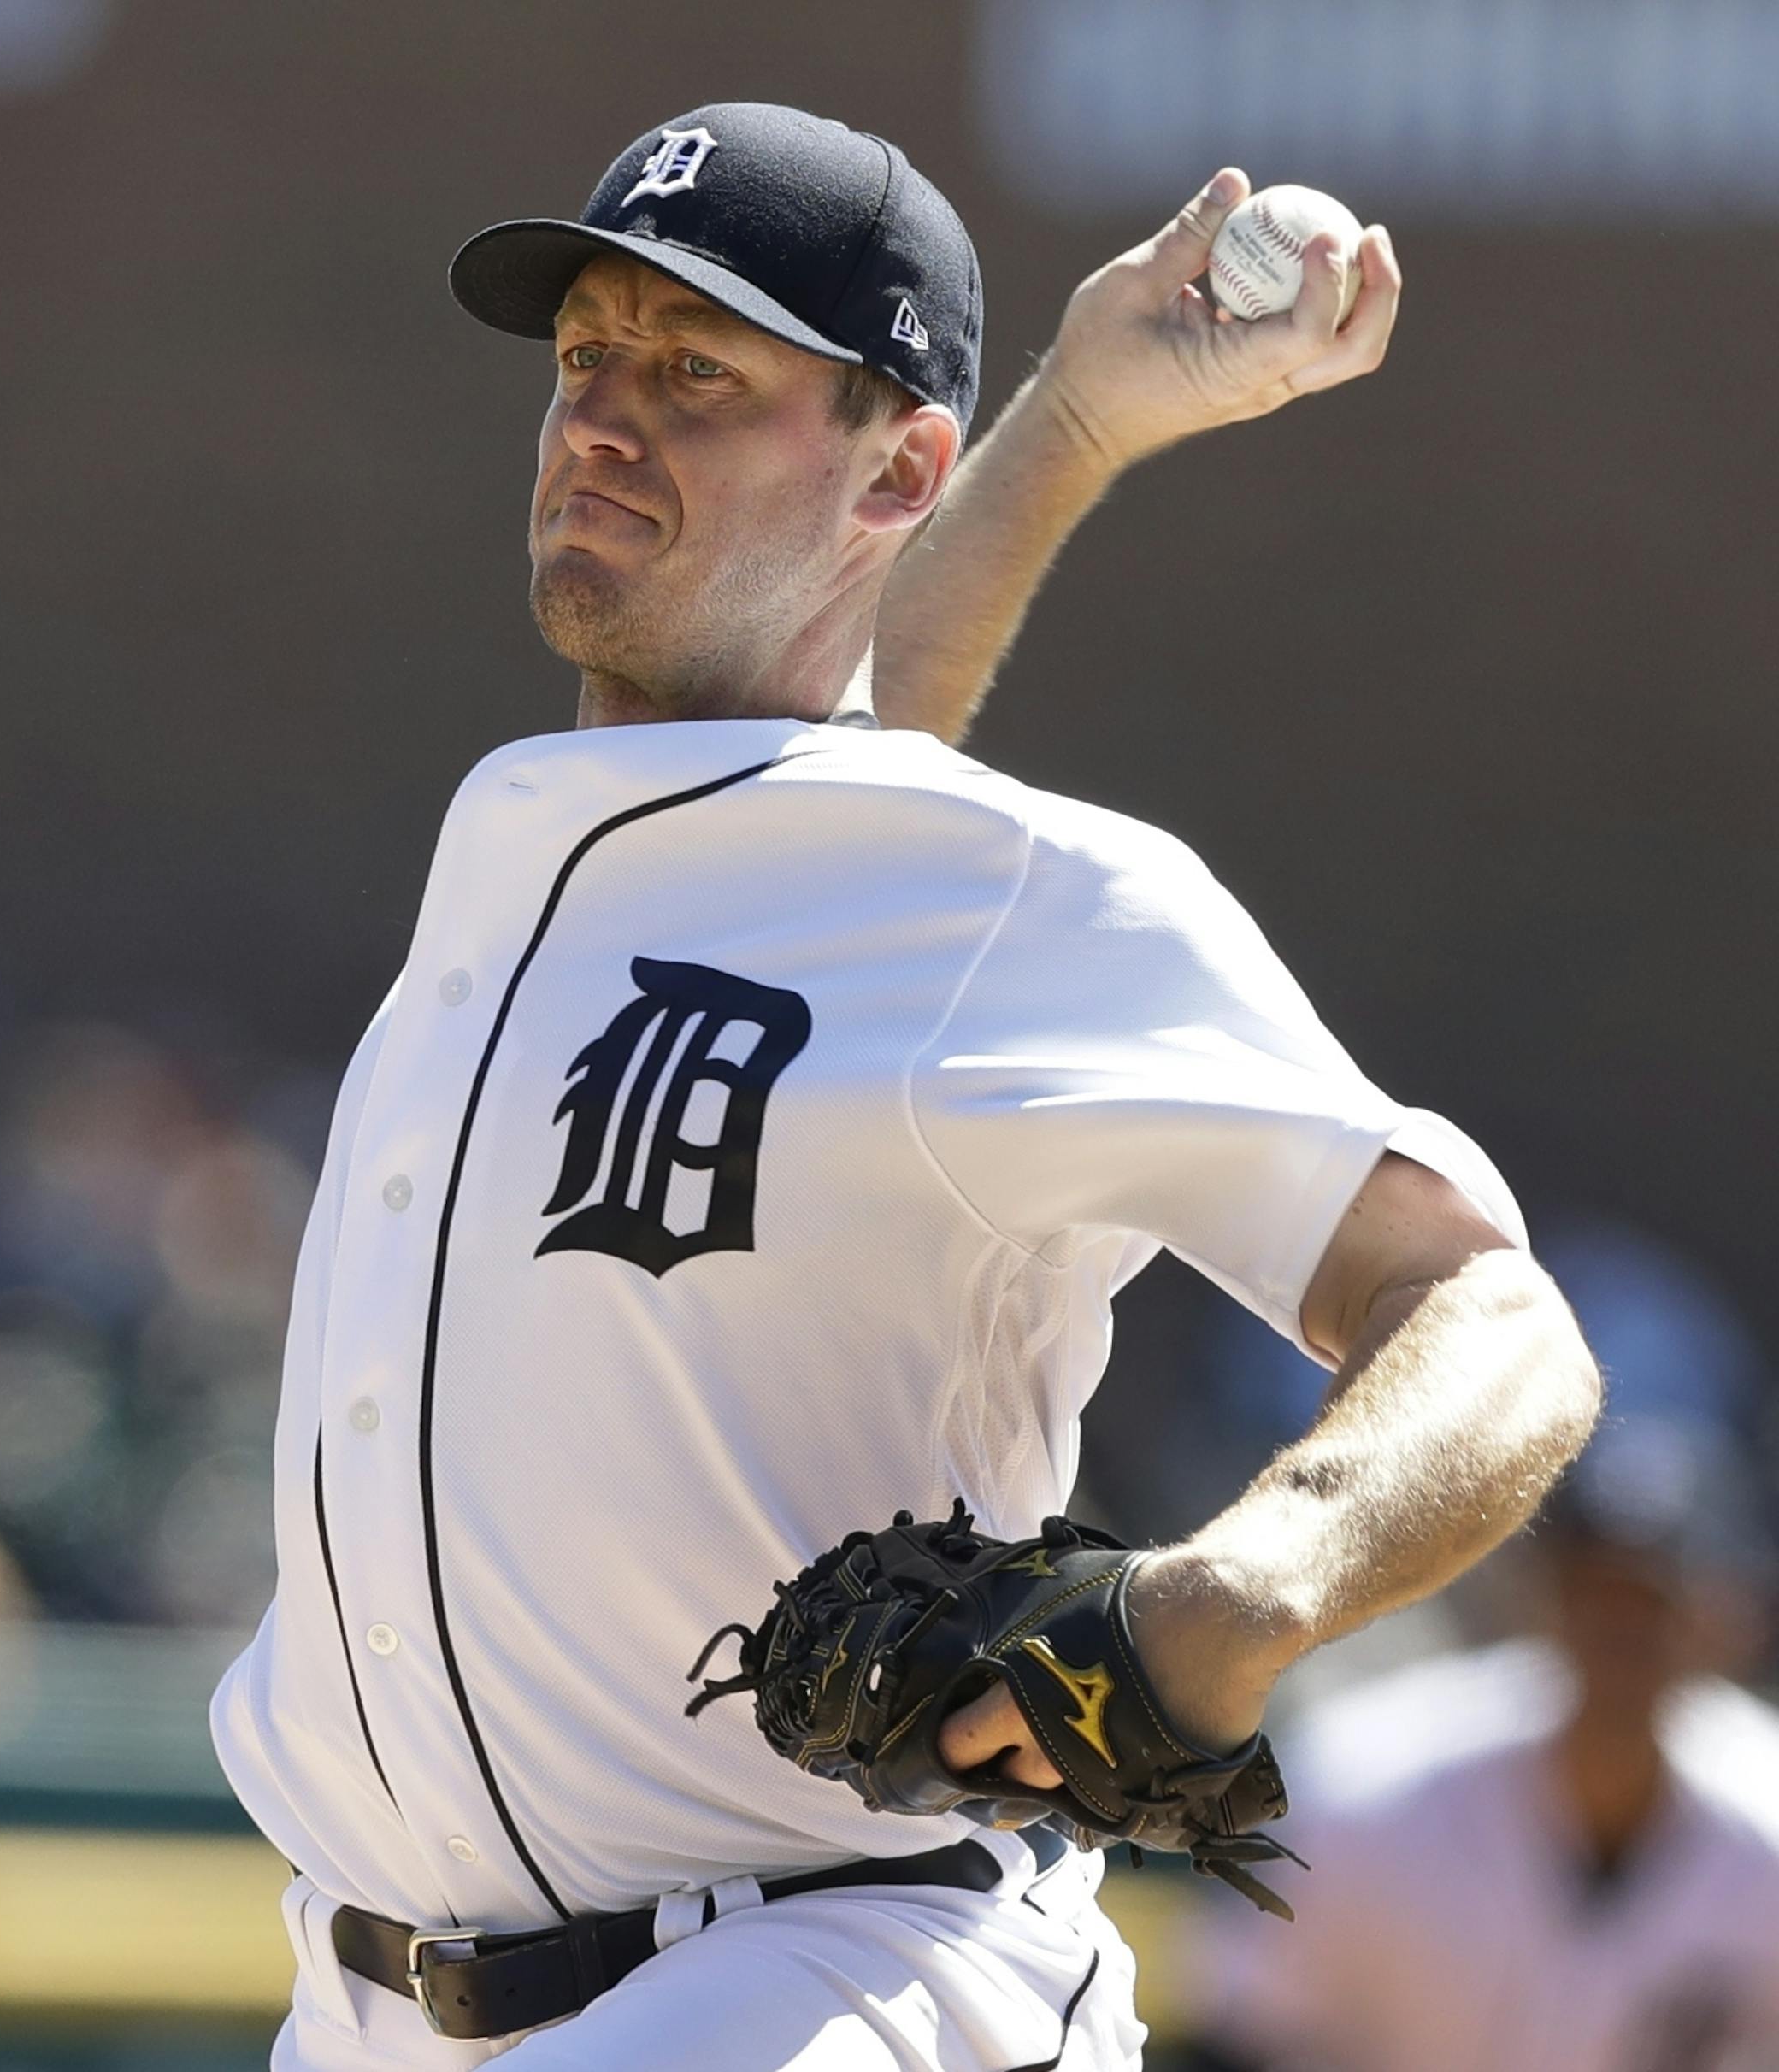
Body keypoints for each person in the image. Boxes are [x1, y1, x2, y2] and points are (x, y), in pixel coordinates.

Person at [209, 103, 1601, 2071]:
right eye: (587, 354)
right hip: (364, 2004)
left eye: (697, 372)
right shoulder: (618, 858)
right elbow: (824, 828)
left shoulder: (1015, 900)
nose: (602, 417)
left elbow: (1492, 1315)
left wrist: (1245, 1585)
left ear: (901, 468)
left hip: (825, 1973)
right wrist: (1074, 425)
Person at [1178, 1416, 1779, 2072]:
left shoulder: (1763, 1816)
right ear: (1544, 1598)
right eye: (1598, 1595)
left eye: (1653, 1605)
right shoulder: (1369, 1786)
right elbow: (1237, 2040)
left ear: (1725, 1618)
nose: (1622, 1635)